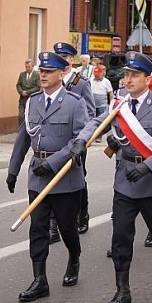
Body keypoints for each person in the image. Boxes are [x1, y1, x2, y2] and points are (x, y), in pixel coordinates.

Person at [71, 51, 152, 303]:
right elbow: (97, 123)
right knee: (121, 236)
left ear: (148, 78)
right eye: (127, 75)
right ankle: (122, 291)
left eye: (134, 75)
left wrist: (148, 166)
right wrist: (81, 140)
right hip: (125, 181)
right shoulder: (119, 105)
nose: (128, 79)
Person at [6, 51, 89, 302]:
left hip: (64, 177)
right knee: (38, 228)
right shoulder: (33, 101)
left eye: (48, 71)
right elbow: (24, 137)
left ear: (62, 73)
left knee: (66, 228)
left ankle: (74, 257)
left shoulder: (75, 103)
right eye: (41, 70)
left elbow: (79, 140)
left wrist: (52, 163)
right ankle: (40, 280)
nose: (42, 74)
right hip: (37, 176)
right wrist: (13, 170)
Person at [51, 42, 95, 237]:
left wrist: (82, 139)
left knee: (78, 178)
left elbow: (91, 112)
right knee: (52, 179)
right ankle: (53, 225)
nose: (63, 60)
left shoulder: (81, 83)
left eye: (66, 57)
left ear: (71, 59)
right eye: (59, 56)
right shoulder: (51, 81)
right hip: (55, 142)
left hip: (76, 142)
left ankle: (82, 214)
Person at [16, 59, 40, 126]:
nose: (27, 68)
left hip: (32, 99)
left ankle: (28, 131)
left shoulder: (37, 75)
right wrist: (21, 91)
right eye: (26, 67)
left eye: (28, 67)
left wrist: (27, 92)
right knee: (21, 116)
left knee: (30, 116)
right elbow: (18, 85)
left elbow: (38, 87)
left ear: (33, 66)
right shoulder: (22, 74)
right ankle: (21, 131)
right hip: (22, 99)